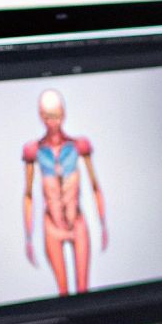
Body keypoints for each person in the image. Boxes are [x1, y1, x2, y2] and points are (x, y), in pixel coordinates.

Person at [23, 89, 108, 295]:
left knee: (83, 290)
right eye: (49, 117)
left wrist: (102, 223)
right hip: (52, 225)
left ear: (64, 114)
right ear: (42, 117)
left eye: (58, 116)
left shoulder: (79, 146)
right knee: (63, 293)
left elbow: (95, 185)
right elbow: (28, 195)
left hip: (76, 222)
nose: (54, 122)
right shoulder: (33, 151)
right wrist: (28, 236)